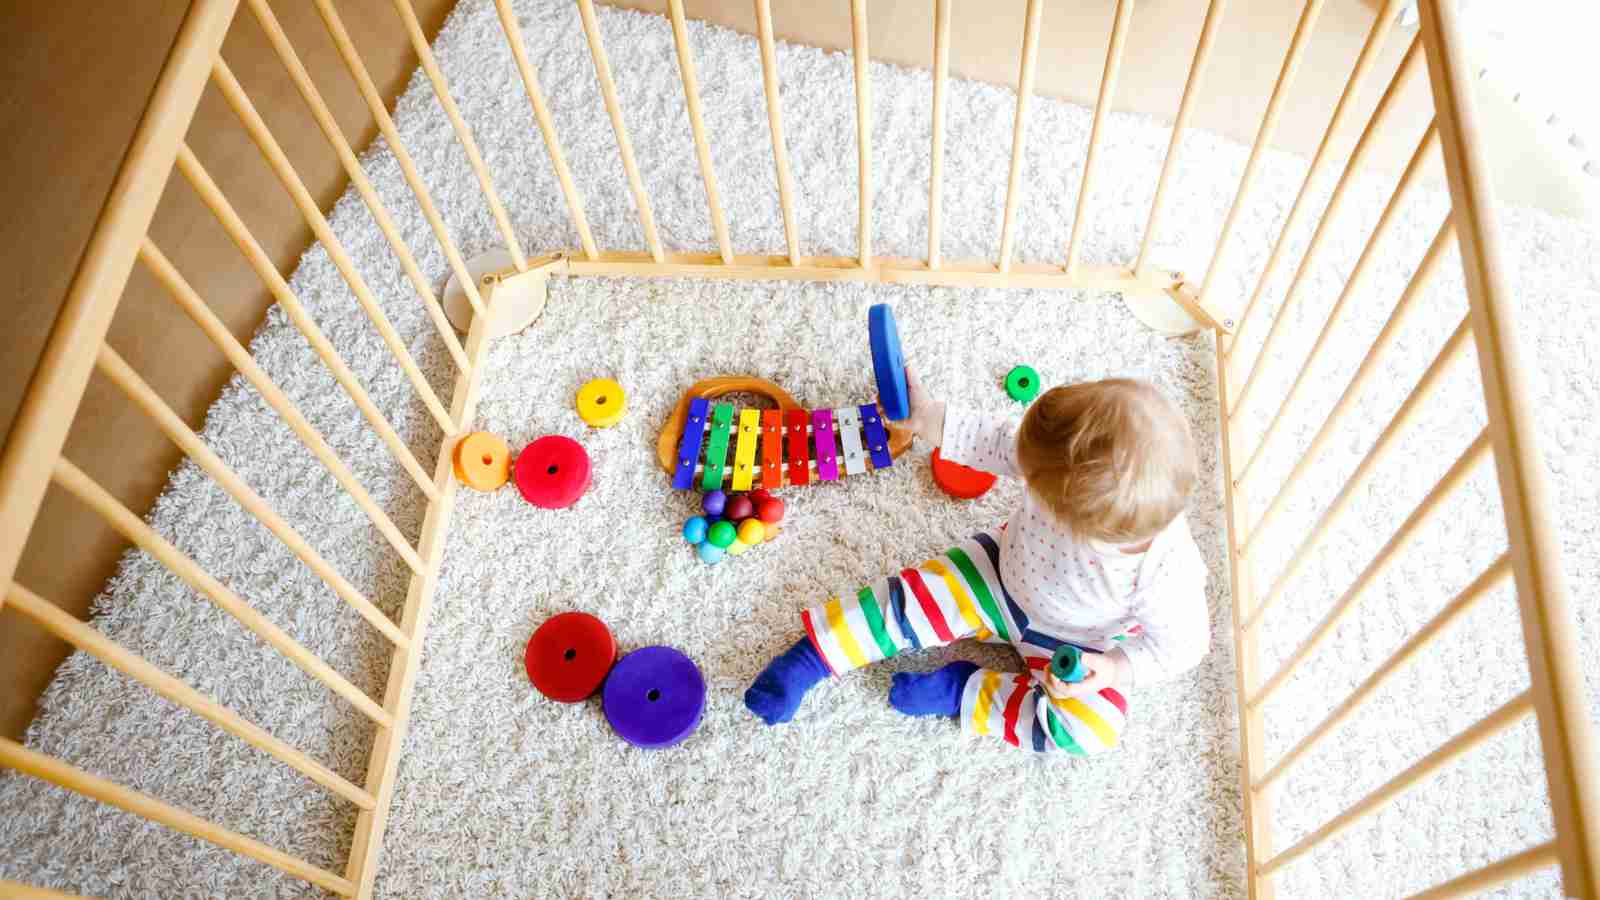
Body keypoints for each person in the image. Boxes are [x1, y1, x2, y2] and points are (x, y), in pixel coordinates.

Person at [742, 371, 1210, 755]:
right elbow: (995, 441)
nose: (1025, 479)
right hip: (999, 574)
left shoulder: (1167, 573)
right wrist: (929, 418)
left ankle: (965, 692)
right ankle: (812, 657)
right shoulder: (1057, 458)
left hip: (1077, 641)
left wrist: (1111, 669)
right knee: (907, 602)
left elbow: (1182, 648)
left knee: (1089, 733)